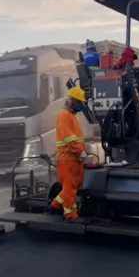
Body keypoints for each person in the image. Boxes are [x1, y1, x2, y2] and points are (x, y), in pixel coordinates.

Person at [49, 86, 88, 222]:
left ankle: (55, 204)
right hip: (68, 158)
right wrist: (80, 151)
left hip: (72, 158)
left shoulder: (69, 115)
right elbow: (68, 137)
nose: (81, 105)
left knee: (71, 186)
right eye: (79, 102)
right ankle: (70, 215)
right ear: (72, 102)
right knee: (70, 188)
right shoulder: (64, 115)